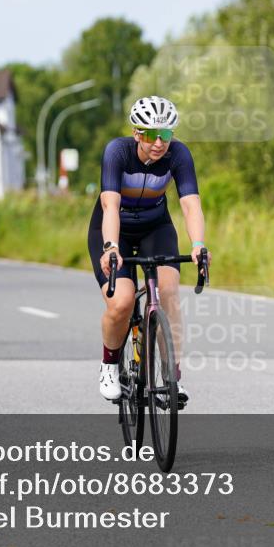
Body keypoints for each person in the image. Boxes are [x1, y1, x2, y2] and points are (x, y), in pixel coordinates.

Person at [87, 96, 209, 404]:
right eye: (152, 134)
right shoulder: (117, 152)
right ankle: (109, 365)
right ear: (136, 133)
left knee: (168, 293)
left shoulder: (178, 155)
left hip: (156, 228)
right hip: (114, 230)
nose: (159, 143)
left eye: (165, 134)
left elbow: (190, 204)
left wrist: (198, 245)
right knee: (122, 302)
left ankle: (172, 377)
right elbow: (110, 205)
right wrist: (111, 247)